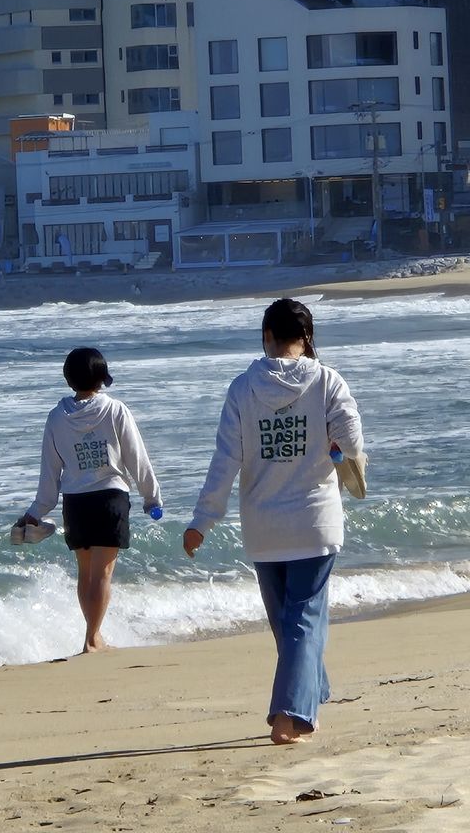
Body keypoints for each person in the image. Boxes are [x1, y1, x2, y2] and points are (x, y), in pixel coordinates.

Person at [183, 298, 364, 745]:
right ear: (306, 338)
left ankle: (308, 700)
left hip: (263, 529)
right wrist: (332, 446)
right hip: (313, 522)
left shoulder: (243, 388)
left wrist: (202, 520)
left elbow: (225, 460)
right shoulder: (327, 382)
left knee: (289, 624)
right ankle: (290, 715)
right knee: (302, 620)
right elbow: (352, 442)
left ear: (266, 337)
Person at [18, 347, 162, 654]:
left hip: (75, 501)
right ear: (101, 377)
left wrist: (37, 510)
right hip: (110, 497)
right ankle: (92, 638)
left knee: (86, 573)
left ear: (69, 378)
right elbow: (137, 458)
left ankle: (92, 636)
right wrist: (152, 497)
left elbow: (50, 470)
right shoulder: (115, 410)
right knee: (103, 574)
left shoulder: (57, 417)